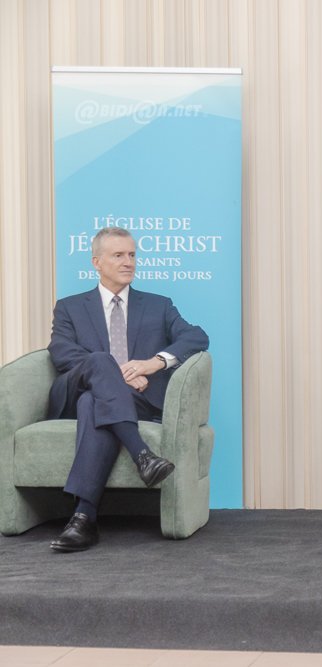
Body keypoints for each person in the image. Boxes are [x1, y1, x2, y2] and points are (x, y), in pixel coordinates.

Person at [45, 227, 209, 552]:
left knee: (94, 403)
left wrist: (154, 363)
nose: (128, 262)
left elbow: (197, 337)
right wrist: (115, 372)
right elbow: (61, 350)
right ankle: (143, 455)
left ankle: (83, 517)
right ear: (96, 261)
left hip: (132, 400)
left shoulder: (158, 305)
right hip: (77, 390)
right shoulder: (70, 307)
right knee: (99, 365)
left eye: (132, 255)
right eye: (118, 255)